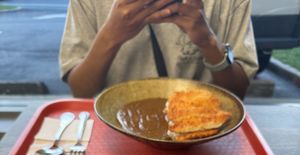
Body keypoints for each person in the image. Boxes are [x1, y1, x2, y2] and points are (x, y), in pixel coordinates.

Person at [59, 0, 258, 99]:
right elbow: (81, 90)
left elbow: (237, 92)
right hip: (117, 129)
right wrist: (110, 35)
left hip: (204, 133)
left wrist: (209, 42)